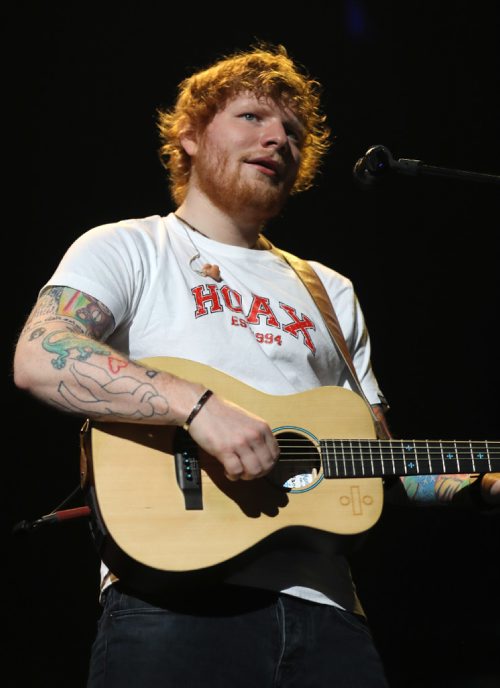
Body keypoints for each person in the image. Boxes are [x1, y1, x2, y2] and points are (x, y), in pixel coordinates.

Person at [13, 43, 500, 687]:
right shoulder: (129, 246)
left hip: (330, 621)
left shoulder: (331, 290)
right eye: (251, 118)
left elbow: (385, 462)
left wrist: (485, 483)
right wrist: (199, 408)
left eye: (294, 132)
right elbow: (40, 353)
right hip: (170, 607)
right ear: (188, 134)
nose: (278, 138)